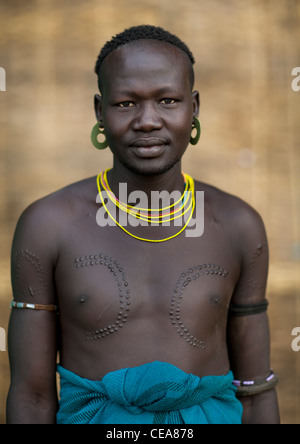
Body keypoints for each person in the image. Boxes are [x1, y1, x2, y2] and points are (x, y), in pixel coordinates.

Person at [6, 25, 280, 424]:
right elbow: (31, 396)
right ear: (100, 111)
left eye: (168, 100)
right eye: (126, 104)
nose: (148, 121)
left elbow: (255, 391)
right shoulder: (48, 225)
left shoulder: (238, 225)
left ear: (195, 107)